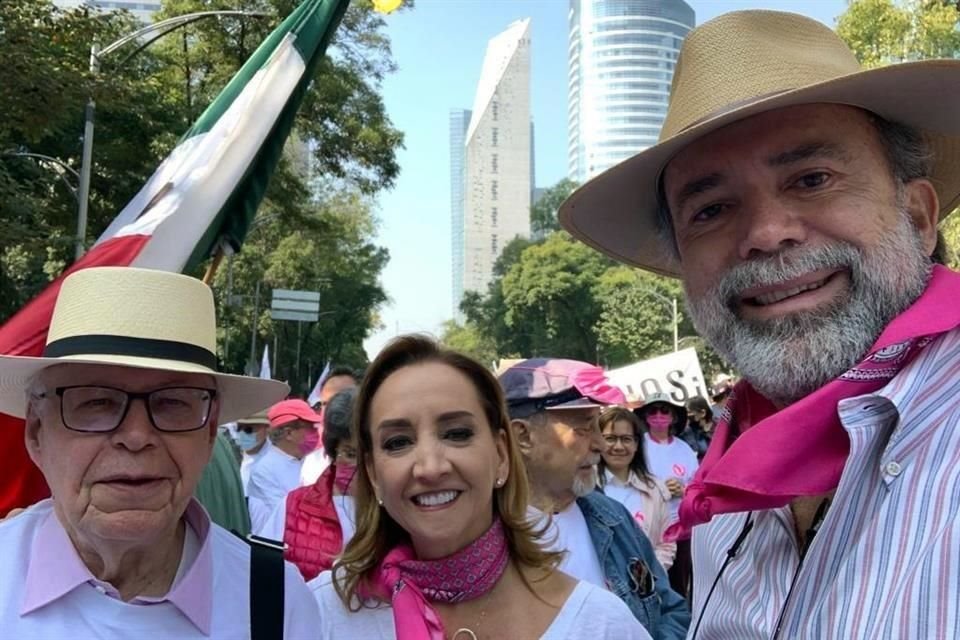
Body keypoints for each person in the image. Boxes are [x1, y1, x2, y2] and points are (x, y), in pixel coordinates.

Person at [558, 9, 960, 638]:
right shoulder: (724, 491)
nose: (768, 234)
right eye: (712, 209)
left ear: (916, 215)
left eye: (812, 178)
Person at [0, 267, 318, 637]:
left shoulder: (275, 600)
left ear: (210, 432)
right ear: (37, 433)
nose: (137, 436)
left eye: (172, 403)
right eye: (97, 402)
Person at [314, 336, 651, 640]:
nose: (431, 467)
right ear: (373, 473)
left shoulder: (601, 623)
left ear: (502, 454)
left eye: (457, 434)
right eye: (398, 442)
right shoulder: (318, 614)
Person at [500, 358, 690, 640]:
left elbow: (671, 610)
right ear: (523, 436)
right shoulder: (480, 539)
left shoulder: (612, 518)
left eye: (598, 427)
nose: (601, 444)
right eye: (583, 428)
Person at [260, 387, 359, 580]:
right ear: (333, 450)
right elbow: (262, 573)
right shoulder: (293, 505)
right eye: (350, 454)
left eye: (368, 454)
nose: (360, 466)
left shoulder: (395, 509)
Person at [634, 394, 698, 598]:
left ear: (674, 416)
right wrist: (660, 488)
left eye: (664, 411)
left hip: (683, 529)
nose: (659, 415)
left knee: (681, 585)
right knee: (655, 585)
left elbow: (698, 484)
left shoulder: (684, 449)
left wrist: (683, 490)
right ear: (645, 416)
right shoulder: (638, 447)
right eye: (653, 411)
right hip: (652, 528)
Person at [596, 406, 675, 570]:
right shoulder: (585, 489)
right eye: (610, 438)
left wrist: (649, 579)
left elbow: (665, 543)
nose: (618, 447)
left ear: (636, 444)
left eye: (626, 439)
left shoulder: (654, 489)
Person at [247, 398, 321, 533]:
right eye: (310, 428)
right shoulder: (264, 471)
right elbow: (286, 514)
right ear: (289, 433)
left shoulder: (310, 462)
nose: (315, 434)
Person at [300, 366, 359, 486]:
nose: (333, 409)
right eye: (325, 404)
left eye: (343, 399)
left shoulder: (380, 459)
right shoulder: (311, 463)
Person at [236, 411, 271, 496]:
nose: (242, 433)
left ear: (266, 429)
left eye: (248, 430)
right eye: (239, 428)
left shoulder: (274, 461)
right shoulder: (232, 455)